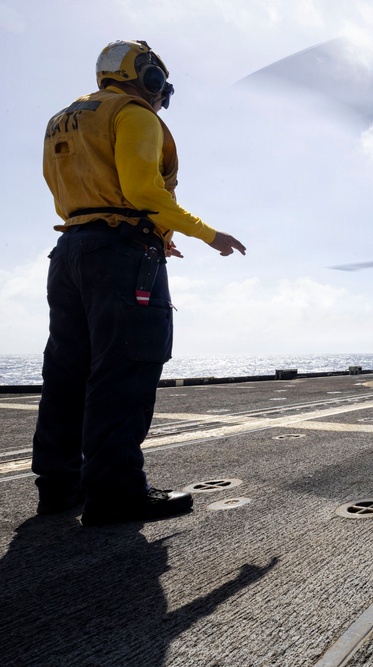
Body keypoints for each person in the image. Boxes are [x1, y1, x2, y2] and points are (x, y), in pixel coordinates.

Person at [33, 40, 246, 527]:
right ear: (146, 76)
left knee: (67, 373)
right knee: (125, 369)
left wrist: (154, 232)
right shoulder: (133, 114)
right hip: (120, 256)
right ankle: (115, 494)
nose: (161, 98)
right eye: (160, 87)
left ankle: (58, 486)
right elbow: (142, 190)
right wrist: (207, 234)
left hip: (70, 250)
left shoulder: (64, 119)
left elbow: (81, 189)